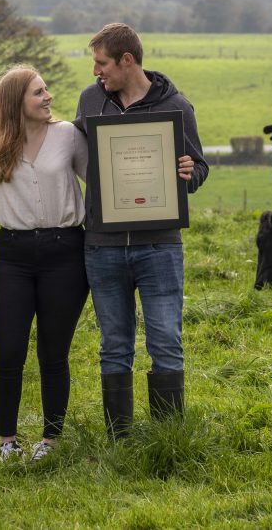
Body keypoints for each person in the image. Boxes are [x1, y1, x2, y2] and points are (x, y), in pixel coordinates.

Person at [73, 23, 208, 439]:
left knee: (165, 339)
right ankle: (121, 439)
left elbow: (199, 167)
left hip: (159, 246)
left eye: (102, 63)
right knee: (113, 344)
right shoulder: (90, 101)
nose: (96, 71)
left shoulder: (177, 107)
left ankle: (168, 438)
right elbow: (70, 155)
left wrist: (188, 173)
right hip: (102, 246)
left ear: (127, 60)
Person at [0, 65, 89, 463]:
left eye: (46, 90)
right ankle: (8, 441)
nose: (47, 96)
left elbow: (101, 182)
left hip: (65, 253)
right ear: (15, 100)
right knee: (8, 351)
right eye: (38, 92)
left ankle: (50, 441)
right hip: (13, 256)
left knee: (54, 353)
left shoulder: (69, 135)